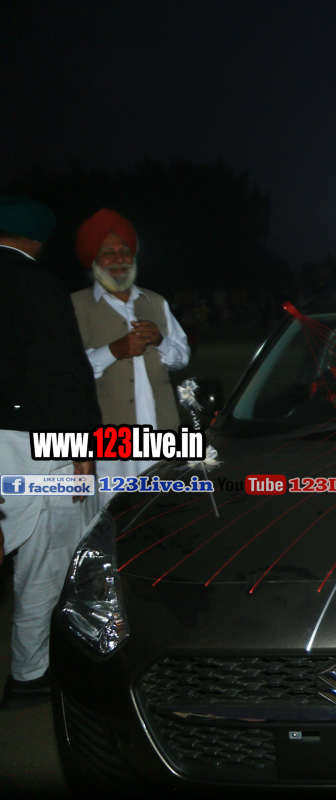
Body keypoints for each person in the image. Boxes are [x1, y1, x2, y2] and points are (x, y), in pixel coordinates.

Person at [0, 196, 102, 710]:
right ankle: (29, 675)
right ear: (38, 240)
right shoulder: (34, 284)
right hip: (32, 445)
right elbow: (54, 370)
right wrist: (79, 441)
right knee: (45, 559)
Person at [71, 210, 190, 506]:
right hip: (109, 440)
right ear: (94, 259)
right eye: (108, 253)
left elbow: (182, 358)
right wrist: (114, 351)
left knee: (162, 512)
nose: (119, 259)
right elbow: (67, 370)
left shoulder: (155, 301)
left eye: (125, 252)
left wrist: (160, 341)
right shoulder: (74, 305)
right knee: (111, 512)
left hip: (161, 433)